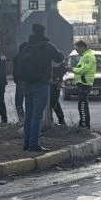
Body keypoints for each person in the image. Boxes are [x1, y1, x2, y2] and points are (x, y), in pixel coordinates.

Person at [13, 23, 63, 153]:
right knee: (37, 116)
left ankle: (27, 143)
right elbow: (59, 58)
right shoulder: (47, 46)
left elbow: (16, 61)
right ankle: (34, 144)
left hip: (28, 84)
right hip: (42, 85)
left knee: (29, 114)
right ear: (43, 32)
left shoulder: (26, 46)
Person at [71, 41, 96, 129]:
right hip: (83, 83)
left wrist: (72, 69)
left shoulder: (88, 56)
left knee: (82, 104)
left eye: (77, 49)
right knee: (82, 104)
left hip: (84, 83)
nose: (76, 51)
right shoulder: (84, 55)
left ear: (82, 47)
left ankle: (85, 125)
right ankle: (83, 123)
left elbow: (83, 69)